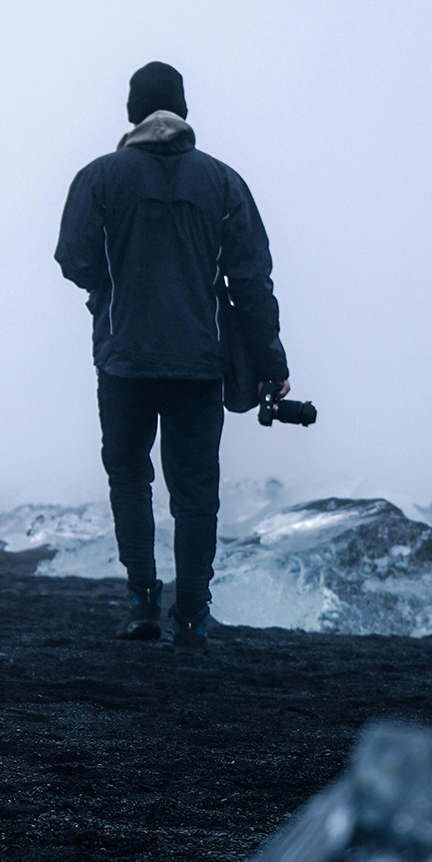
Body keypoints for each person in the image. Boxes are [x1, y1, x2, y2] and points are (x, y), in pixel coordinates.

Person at [55, 61, 290, 649]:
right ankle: (191, 614)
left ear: (132, 112)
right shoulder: (224, 182)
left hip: (122, 360)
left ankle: (140, 605)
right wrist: (272, 364)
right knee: (195, 490)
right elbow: (251, 280)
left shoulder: (99, 178)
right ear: (183, 111)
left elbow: (72, 258)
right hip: (199, 363)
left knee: (130, 477)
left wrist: (110, 289)